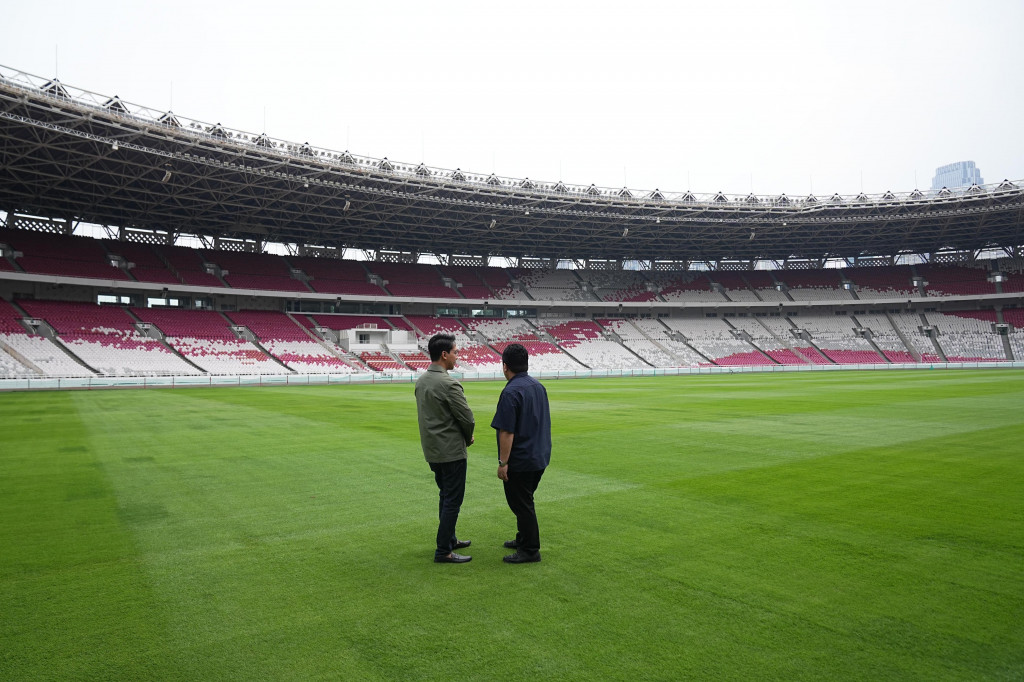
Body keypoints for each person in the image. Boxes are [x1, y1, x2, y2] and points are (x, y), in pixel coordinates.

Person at [415, 333, 475, 564]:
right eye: (455, 352)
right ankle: (443, 551)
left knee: (445, 495)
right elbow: (467, 418)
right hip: (451, 451)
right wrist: (468, 437)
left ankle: (449, 539)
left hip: (432, 451)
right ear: (444, 354)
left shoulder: (422, 381)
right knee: (453, 500)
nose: (457, 356)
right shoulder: (449, 384)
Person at [491, 343, 551, 564]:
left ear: (505, 366)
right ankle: (523, 538)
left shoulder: (511, 392)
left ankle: (530, 550)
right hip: (540, 455)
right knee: (525, 500)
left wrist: (503, 462)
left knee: (521, 504)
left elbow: (506, 431)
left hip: (521, 459)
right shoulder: (538, 386)